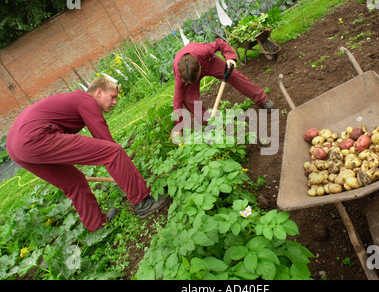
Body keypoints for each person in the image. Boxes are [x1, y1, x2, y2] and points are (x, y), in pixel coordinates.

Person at [6, 77, 169, 232]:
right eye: (112, 97)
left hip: (15, 148)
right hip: (34, 137)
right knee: (113, 152)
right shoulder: (86, 100)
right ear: (99, 92)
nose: (115, 102)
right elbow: (107, 144)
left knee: (73, 181)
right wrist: (136, 181)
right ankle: (143, 202)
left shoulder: (76, 99)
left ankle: (98, 225)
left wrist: (132, 177)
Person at [172, 38, 275, 133]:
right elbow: (177, 100)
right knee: (189, 100)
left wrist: (230, 57)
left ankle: (262, 100)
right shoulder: (180, 74)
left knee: (234, 76)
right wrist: (178, 128)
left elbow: (220, 43)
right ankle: (210, 124)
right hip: (190, 73)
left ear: (199, 67)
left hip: (209, 62)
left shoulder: (203, 50)